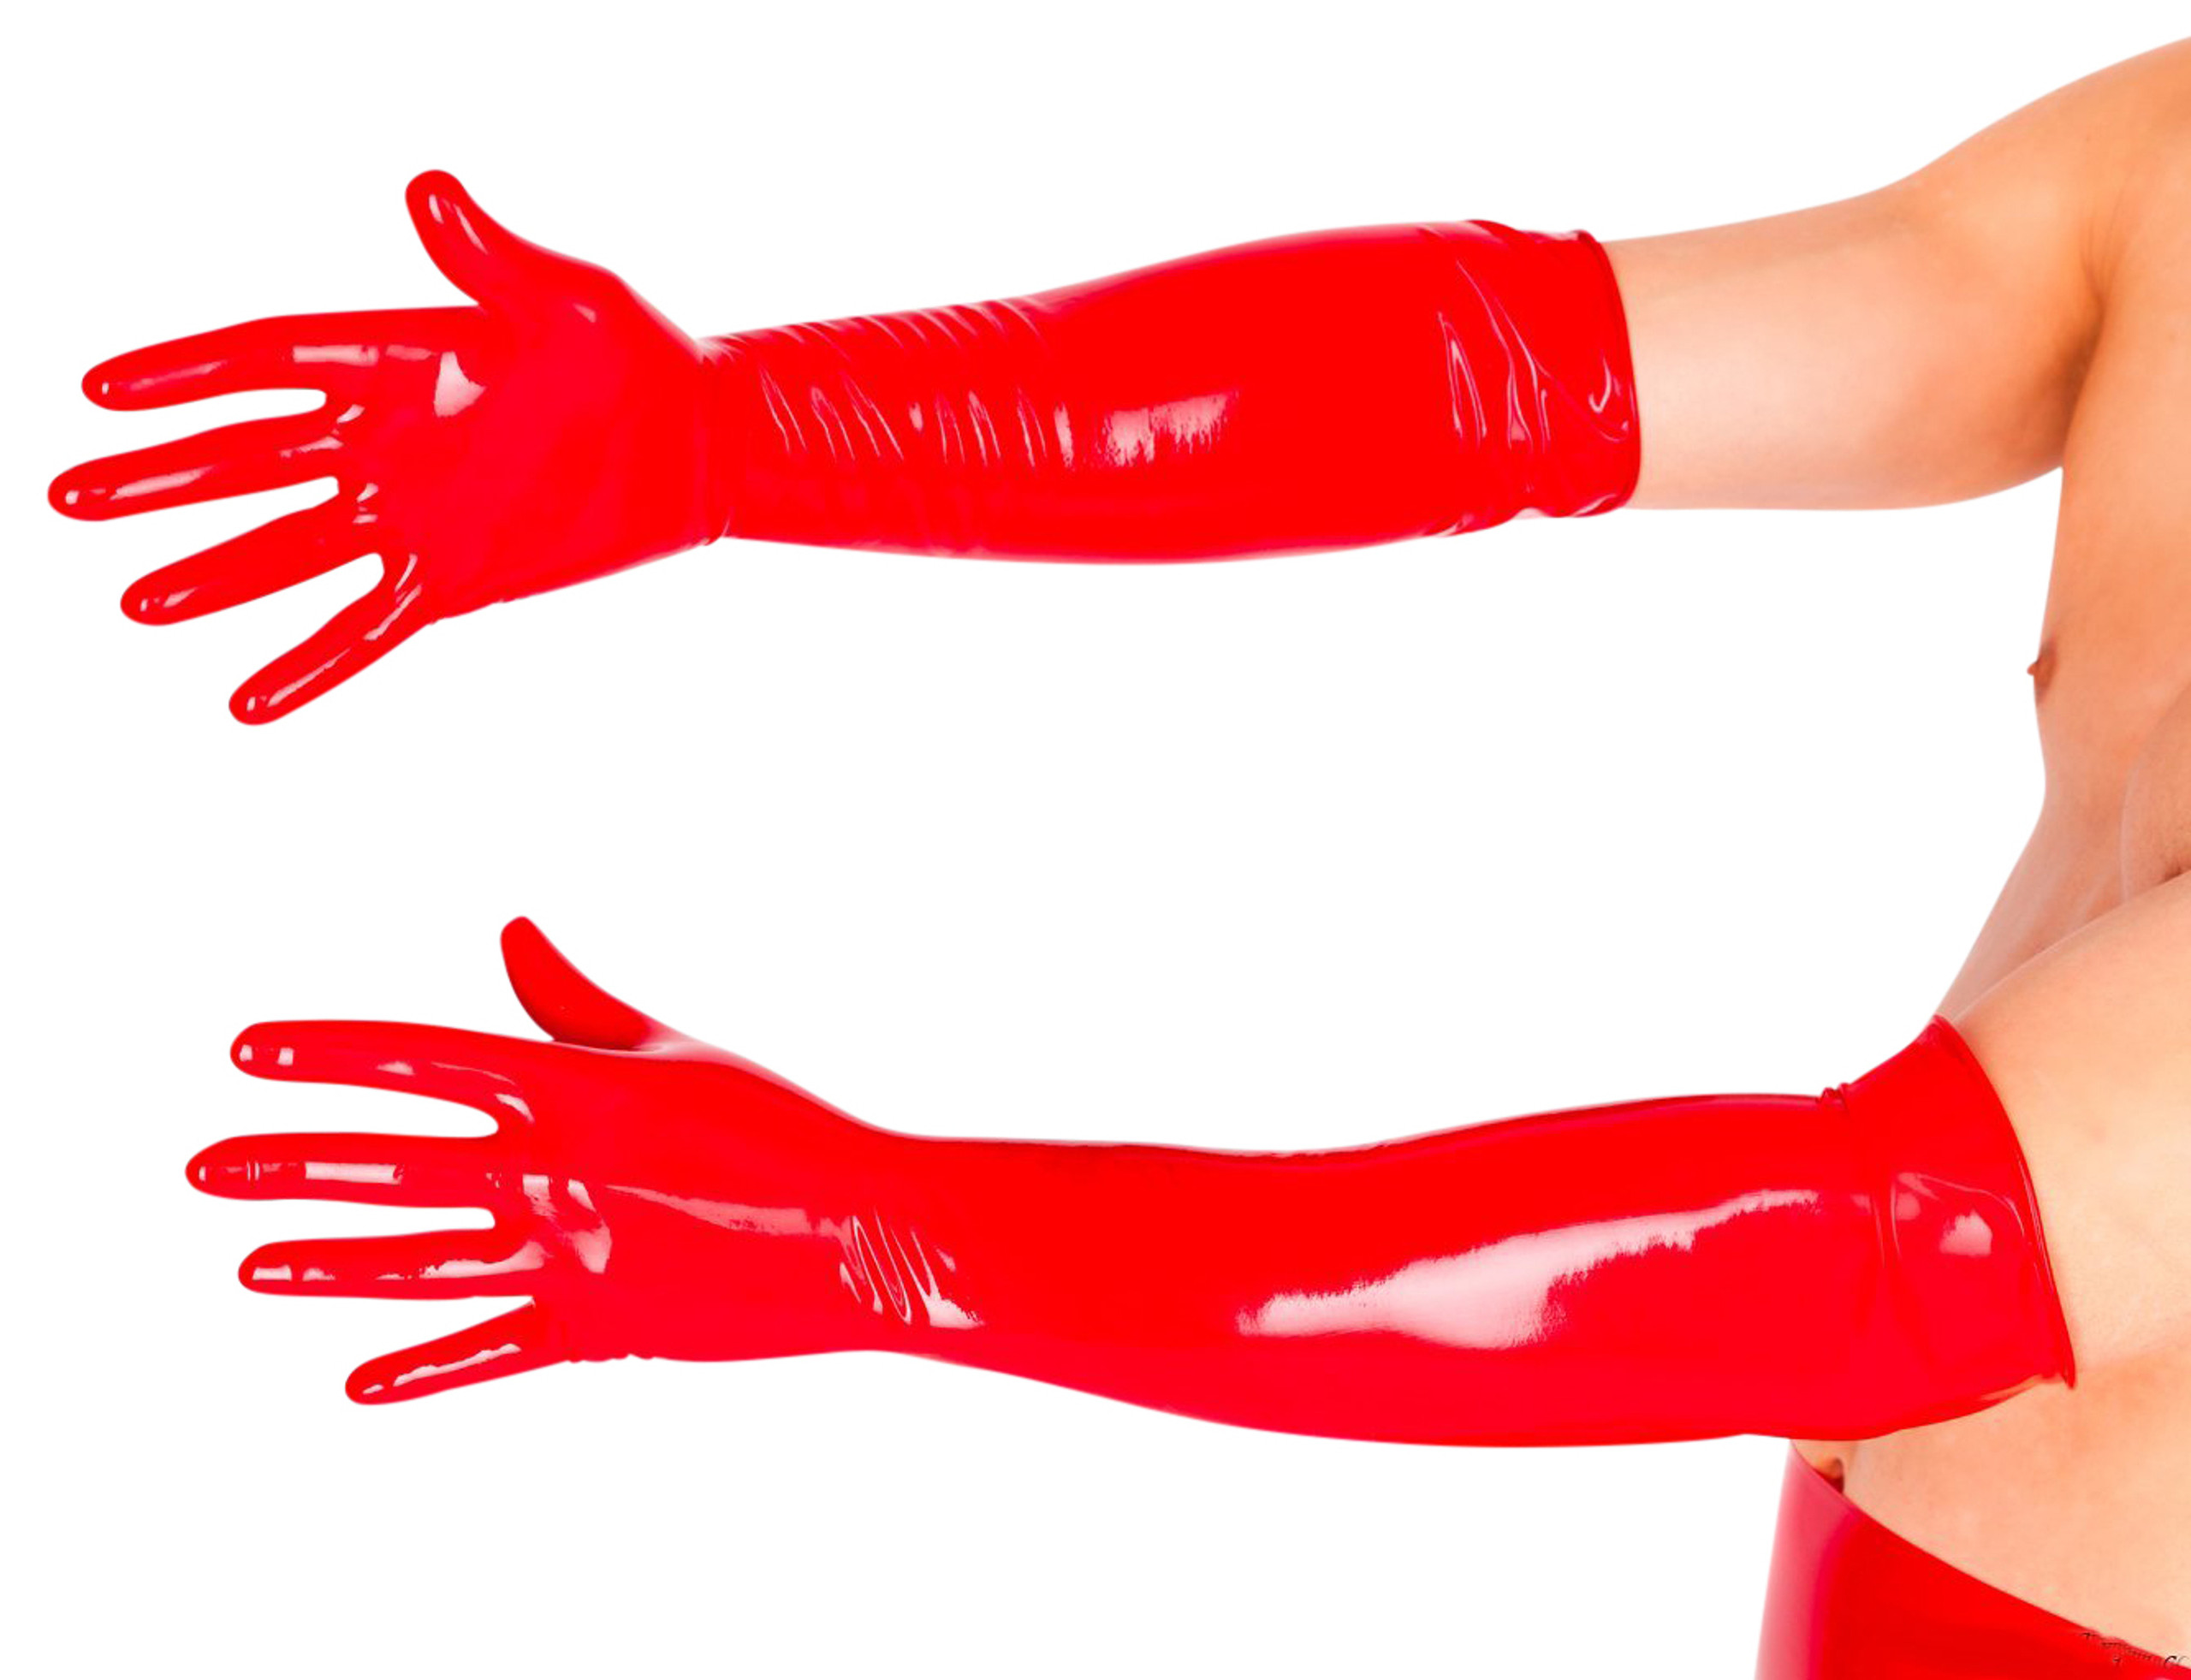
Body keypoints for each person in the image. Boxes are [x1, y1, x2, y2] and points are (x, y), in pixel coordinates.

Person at [50, 36, 2191, 1675]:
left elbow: (1869, 1257)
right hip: (1899, 1577)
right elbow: (1502, 377)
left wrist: (883, 1243)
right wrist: (718, 431)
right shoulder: (2159, 159)